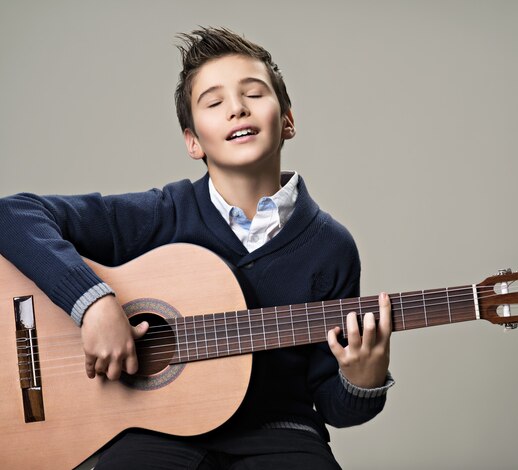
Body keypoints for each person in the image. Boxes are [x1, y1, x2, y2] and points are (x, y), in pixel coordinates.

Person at [0, 27, 393, 469]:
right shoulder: (163, 213)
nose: (237, 108)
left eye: (254, 94)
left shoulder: (331, 246)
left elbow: (335, 405)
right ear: (193, 141)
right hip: (152, 431)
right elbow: (12, 216)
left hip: (280, 434)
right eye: (214, 102)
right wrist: (92, 304)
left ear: (287, 120)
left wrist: (363, 379)